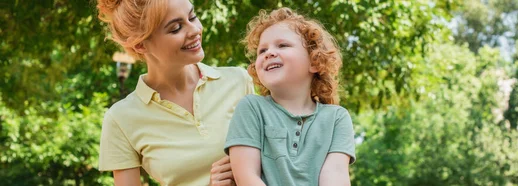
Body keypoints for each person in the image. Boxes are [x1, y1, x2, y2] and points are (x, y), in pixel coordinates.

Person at [96, 0, 253, 185]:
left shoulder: (238, 81)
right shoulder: (120, 118)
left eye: (192, 17)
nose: (195, 30)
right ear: (141, 45)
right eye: (176, 28)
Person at [224, 7, 356, 186]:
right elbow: (246, 177)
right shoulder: (251, 108)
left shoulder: (337, 118)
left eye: (282, 45)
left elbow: (335, 176)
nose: (269, 53)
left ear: (315, 62)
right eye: (262, 51)